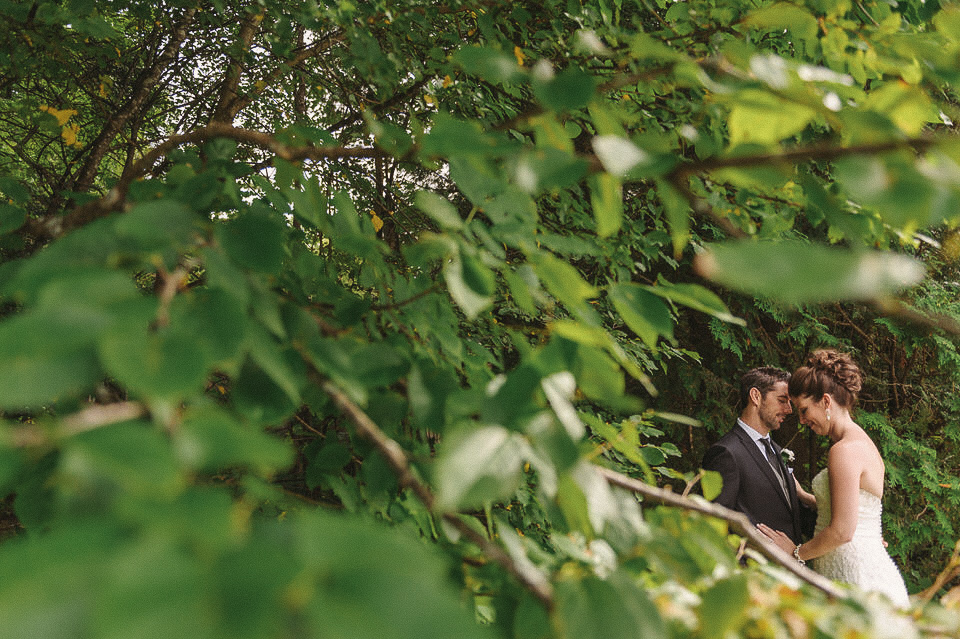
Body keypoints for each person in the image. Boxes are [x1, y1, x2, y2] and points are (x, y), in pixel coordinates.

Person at [758, 350, 910, 608]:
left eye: (805, 410)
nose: (803, 421)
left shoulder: (843, 451)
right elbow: (853, 507)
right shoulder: (861, 444)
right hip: (863, 569)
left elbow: (842, 531)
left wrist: (795, 553)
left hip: (854, 576)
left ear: (826, 401)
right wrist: (805, 496)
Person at [702, 366, 812, 546]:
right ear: (756, 397)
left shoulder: (776, 449)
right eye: (782, 400)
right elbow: (715, 524)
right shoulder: (727, 453)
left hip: (788, 568)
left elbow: (793, 515)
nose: (789, 409)